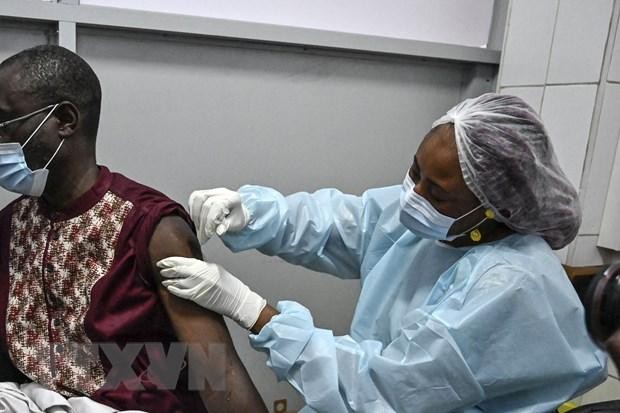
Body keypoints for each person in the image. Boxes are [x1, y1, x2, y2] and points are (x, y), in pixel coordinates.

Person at [158, 93, 607, 412]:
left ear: (494, 209)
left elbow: (388, 389)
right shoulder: (436, 222)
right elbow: (343, 224)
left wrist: (250, 309)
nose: (414, 194)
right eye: (415, 171)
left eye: (438, 192)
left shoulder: (510, 286)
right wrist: (252, 214)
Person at [0, 45, 266, 412]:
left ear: (64, 120)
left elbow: (218, 377)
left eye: (4, 124)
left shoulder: (152, 230)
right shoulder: (13, 225)